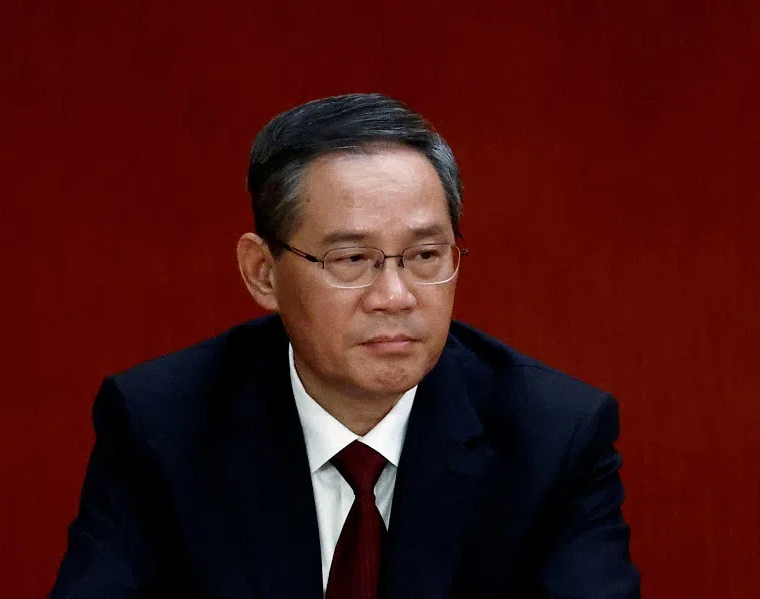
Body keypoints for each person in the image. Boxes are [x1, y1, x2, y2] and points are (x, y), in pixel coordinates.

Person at [50, 93, 640, 598]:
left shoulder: (553, 437)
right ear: (262, 273)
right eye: (352, 259)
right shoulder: (161, 425)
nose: (395, 296)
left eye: (425, 255)